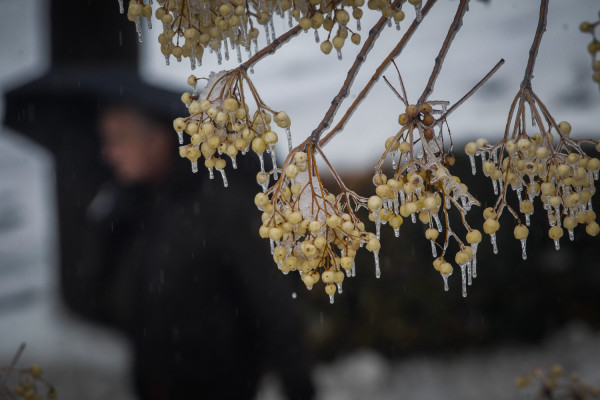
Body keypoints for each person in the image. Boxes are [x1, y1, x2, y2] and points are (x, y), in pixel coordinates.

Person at [69, 103, 316, 400]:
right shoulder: (134, 209)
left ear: (158, 139)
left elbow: (273, 301)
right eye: (105, 140)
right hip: (153, 386)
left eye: (119, 139)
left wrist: (299, 386)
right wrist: (102, 229)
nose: (107, 153)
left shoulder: (218, 206)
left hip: (223, 386)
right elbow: (99, 301)